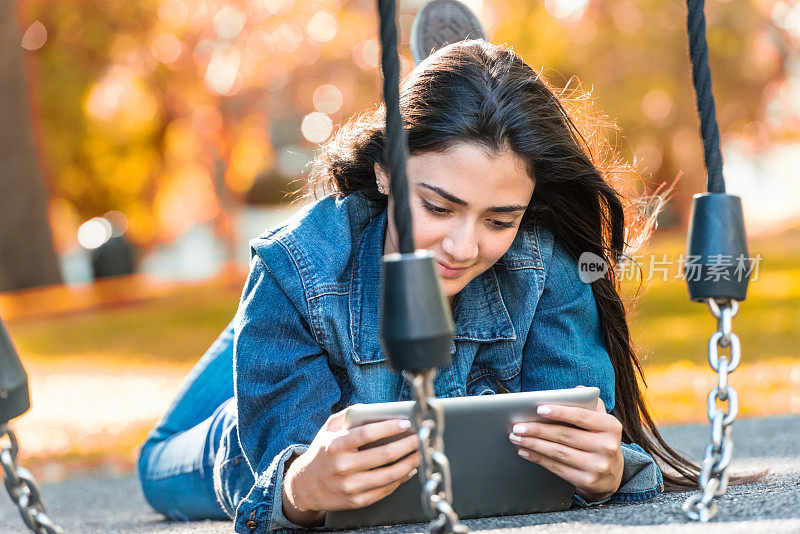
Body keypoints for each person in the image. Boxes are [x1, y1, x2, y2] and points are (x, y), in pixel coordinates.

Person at [137, 39, 704, 533]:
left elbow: (581, 436)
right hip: (275, 376)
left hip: (326, 284)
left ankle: (470, 78)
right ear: (385, 169)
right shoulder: (295, 272)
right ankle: (258, 325)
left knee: (307, 288)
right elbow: (281, 476)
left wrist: (606, 472)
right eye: (438, 205)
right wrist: (300, 491)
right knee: (157, 462)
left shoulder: (541, 263)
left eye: (499, 219)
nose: (463, 246)